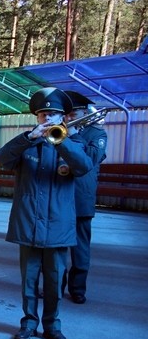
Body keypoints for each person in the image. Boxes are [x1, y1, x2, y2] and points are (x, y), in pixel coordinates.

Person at [0, 87, 92, 339]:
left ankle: (52, 325)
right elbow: (1, 158)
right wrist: (28, 137)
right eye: (43, 115)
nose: (47, 119)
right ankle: (28, 323)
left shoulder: (74, 142)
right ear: (37, 118)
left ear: (62, 118)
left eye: (53, 114)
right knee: (29, 280)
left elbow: (83, 166)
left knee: (54, 280)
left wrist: (61, 141)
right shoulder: (26, 142)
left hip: (58, 225)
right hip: (28, 223)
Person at [64, 91, 108, 305]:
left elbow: (90, 159)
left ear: (83, 113)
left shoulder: (97, 133)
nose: (70, 117)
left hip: (81, 197)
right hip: (60, 196)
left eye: (74, 113)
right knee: (56, 247)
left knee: (80, 248)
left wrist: (73, 135)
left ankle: (77, 289)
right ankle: (54, 285)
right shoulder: (59, 131)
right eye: (68, 113)